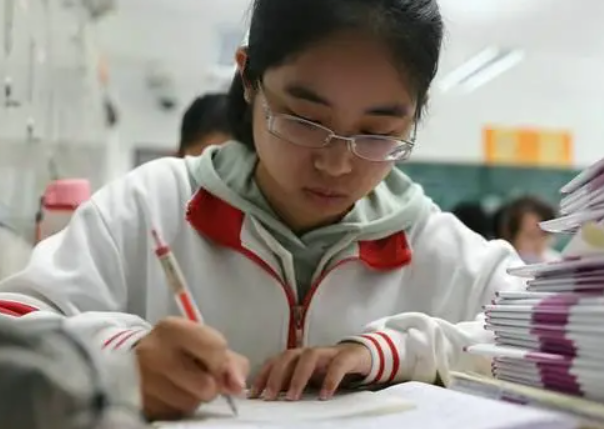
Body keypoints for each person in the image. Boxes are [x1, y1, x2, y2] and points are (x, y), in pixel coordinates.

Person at [0, 0, 525, 421]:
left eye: (377, 134)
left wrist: (402, 351)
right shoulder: (152, 205)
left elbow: (571, 341)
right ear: (249, 79)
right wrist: (120, 357)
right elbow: (14, 324)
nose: (338, 163)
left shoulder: (440, 248)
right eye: (304, 120)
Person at [494, 196, 560, 263]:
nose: (539, 243)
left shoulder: (559, 263)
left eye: (544, 235)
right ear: (511, 235)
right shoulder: (499, 264)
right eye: (531, 236)